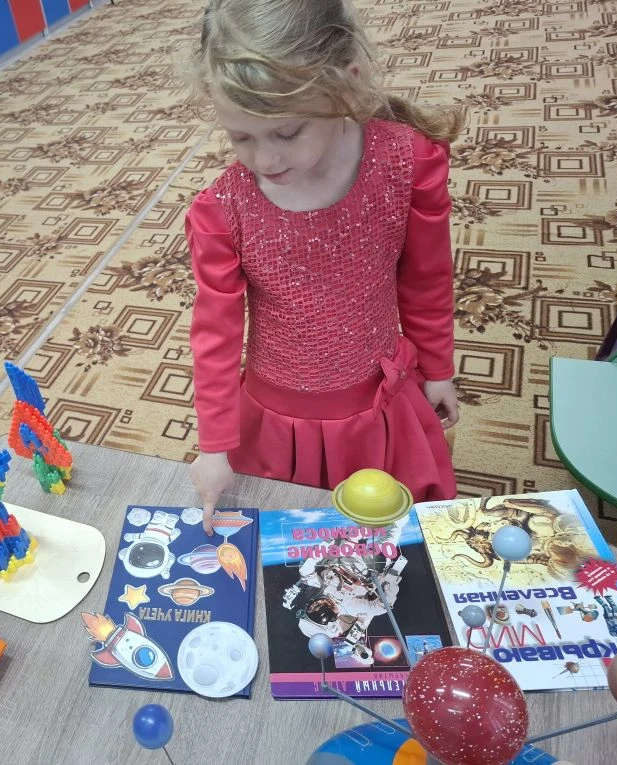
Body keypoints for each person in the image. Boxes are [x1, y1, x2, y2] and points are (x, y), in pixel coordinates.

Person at [186, 0, 464, 534]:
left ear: (346, 86)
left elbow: (426, 279)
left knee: (387, 541)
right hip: (277, 421)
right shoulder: (222, 209)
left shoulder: (408, 161)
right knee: (290, 547)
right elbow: (215, 335)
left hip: (378, 408)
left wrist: (437, 369)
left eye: (287, 133)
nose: (265, 160)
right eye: (241, 137)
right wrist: (215, 446)